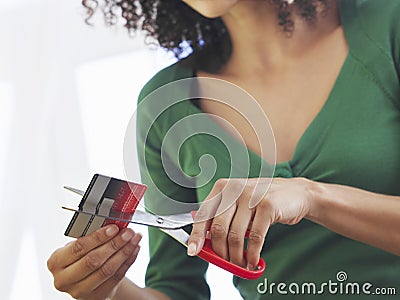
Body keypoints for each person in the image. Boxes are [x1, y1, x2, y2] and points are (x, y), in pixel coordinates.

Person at [47, 0, 400, 299]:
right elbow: (174, 288)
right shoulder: (166, 107)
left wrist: (312, 197)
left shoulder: (387, 25)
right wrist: (110, 289)